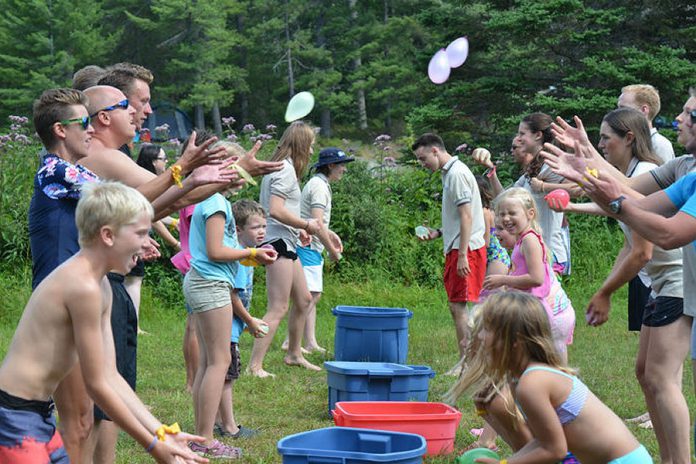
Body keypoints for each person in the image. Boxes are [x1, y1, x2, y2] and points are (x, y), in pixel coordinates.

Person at [0, 181, 207, 464]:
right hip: (12, 416)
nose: (148, 242)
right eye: (140, 233)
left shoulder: (103, 286)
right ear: (108, 235)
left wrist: (160, 432)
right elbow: (96, 384)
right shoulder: (82, 286)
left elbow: (111, 376)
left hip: (36, 413)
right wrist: (152, 445)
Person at [542, 89, 696, 460]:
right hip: (684, 290)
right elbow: (635, 202)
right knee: (651, 376)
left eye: (688, 113)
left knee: (659, 377)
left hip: (675, 287)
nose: (678, 118)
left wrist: (606, 192)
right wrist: (589, 167)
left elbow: (664, 232)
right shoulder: (687, 169)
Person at [450, 291, 652, 464]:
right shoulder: (518, 380)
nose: (481, 337)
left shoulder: (533, 382)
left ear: (515, 340)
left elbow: (555, 450)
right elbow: (538, 442)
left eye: (487, 329)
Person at [184, 159, 277, 458]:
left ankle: (200, 434)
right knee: (218, 362)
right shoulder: (216, 203)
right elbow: (215, 251)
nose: (242, 182)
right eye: (241, 175)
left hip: (206, 283)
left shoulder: (212, 200)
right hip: (210, 284)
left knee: (210, 362)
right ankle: (206, 439)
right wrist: (252, 252)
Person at [249, 121, 324, 378]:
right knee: (278, 306)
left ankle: (294, 353)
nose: (312, 151)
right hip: (277, 243)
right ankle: (254, 365)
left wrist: (298, 229)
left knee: (303, 299)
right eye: (311, 145)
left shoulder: (284, 168)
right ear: (301, 144)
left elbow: (283, 212)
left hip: (287, 240)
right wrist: (306, 223)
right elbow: (276, 210)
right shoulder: (284, 171)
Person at [413, 133, 487, 372]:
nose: (423, 164)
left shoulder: (456, 173)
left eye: (424, 158)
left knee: (461, 307)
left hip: (466, 250)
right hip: (457, 246)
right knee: (457, 306)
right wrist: (438, 232)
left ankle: (469, 363)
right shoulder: (449, 173)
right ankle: (467, 360)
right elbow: (459, 218)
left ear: (436, 150)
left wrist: (463, 254)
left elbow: (468, 216)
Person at [472, 113, 572, 275]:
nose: (517, 139)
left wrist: (544, 186)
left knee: (544, 299)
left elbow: (577, 188)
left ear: (538, 135)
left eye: (522, 134)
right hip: (532, 249)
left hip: (549, 252)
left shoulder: (551, 164)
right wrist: (492, 170)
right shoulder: (530, 172)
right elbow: (503, 199)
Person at [484, 188, 575, 361]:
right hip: (540, 310)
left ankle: (563, 387)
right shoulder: (523, 239)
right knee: (541, 361)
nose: (506, 218)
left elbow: (536, 278)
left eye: (512, 213)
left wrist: (502, 279)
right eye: (502, 214)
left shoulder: (529, 240)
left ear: (530, 213)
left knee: (551, 365)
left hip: (551, 315)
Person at [285, 147, 350, 354]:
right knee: (309, 295)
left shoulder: (319, 184)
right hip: (307, 246)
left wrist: (330, 234)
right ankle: (289, 341)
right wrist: (332, 250)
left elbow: (317, 222)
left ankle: (310, 341)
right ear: (330, 166)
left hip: (312, 245)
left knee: (312, 294)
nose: (344, 170)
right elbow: (316, 222)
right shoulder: (319, 187)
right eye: (341, 166)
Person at [214, 199, 269, 440]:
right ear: (238, 229)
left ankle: (217, 420)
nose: (262, 232)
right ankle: (229, 427)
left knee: (220, 374)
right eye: (256, 227)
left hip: (229, 324)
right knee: (227, 377)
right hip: (228, 328)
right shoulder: (239, 257)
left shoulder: (247, 256)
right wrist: (250, 321)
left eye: (264, 227)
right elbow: (233, 296)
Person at [618, 84, 675, 164]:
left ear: (644, 110)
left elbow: (666, 176)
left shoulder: (660, 145)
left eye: (623, 108)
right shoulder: (628, 141)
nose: (617, 114)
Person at [477, 175, 510, 277]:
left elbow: (485, 242)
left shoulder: (484, 213)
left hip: (495, 257)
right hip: (496, 256)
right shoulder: (489, 210)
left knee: (491, 292)